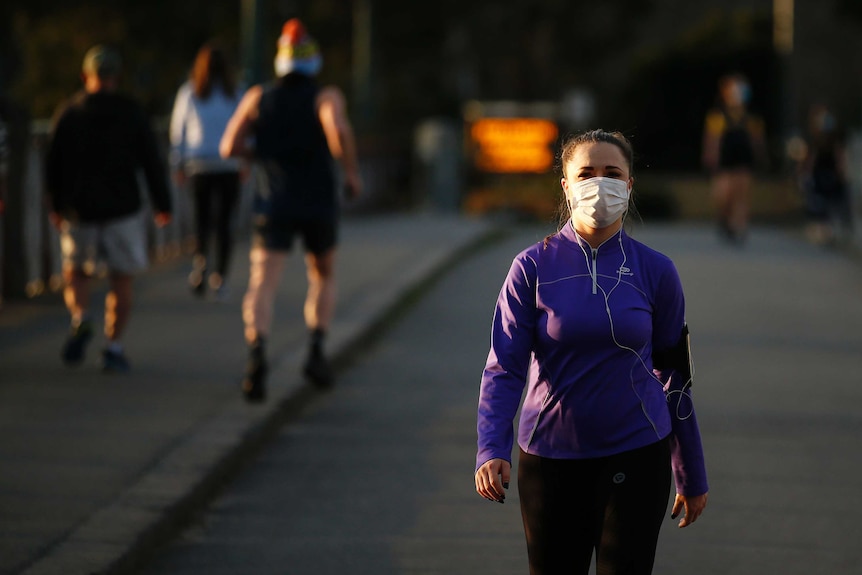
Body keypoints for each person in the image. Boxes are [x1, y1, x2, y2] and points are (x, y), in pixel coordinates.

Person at [475, 130, 708, 575]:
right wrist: (491, 447)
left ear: (630, 184)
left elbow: (675, 377)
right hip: (551, 457)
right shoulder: (532, 266)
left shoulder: (657, 271)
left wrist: (691, 470)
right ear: (565, 184)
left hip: (638, 452)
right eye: (586, 173)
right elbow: (503, 367)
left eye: (612, 174)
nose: (599, 184)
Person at [220, 18, 362, 401]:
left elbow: (228, 146)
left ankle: (256, 356)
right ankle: (316, 351)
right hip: (318, 202)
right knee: (323, 274)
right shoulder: (325, 97)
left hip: (273, 200)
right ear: (312, 61)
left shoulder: (257, 97)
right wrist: (348, 170)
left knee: (263, 281)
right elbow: (337, 129)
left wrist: (258, 153)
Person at [45, 45, 172, 372]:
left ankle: (81, 316)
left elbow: (53, 164)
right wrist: (163, 204)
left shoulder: (69, 112)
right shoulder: (131, 112)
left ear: (86, 76)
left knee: (76, 272)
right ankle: (113, 348)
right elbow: (151, 162)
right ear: (116, 77)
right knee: (121, 281)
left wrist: (55, 204)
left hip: (79, 210)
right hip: (123, 209)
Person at [169, 40, 244, 300]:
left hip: (199, 165)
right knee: (224, 223)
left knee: (201, 220)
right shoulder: (235, 93)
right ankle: (220, 276)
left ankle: (201, 263)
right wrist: (244, 159)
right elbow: (245, 130)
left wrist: (177, 162)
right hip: (228, 164)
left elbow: (178, 131)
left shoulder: (190, 93)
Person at [701, 73, 767, 245]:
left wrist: (761, 158)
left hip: (744, 160)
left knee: (741, 195)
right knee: (724, 196)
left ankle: (739, 226)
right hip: (725, 162)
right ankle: (725, 221)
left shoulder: (752, 118)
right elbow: (712, 140)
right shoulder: (718, 116)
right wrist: (710, 158)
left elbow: (757, 140)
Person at [797, 104, 851, 246]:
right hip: (818, 175)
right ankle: (823, 230)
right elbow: (808, 159)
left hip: (830, 174)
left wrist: (842, 174)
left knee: (832, 203)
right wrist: (804, 175)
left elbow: (840, 157)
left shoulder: (836, 139)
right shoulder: (812, 139)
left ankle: (830, 230)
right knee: (819, 203)